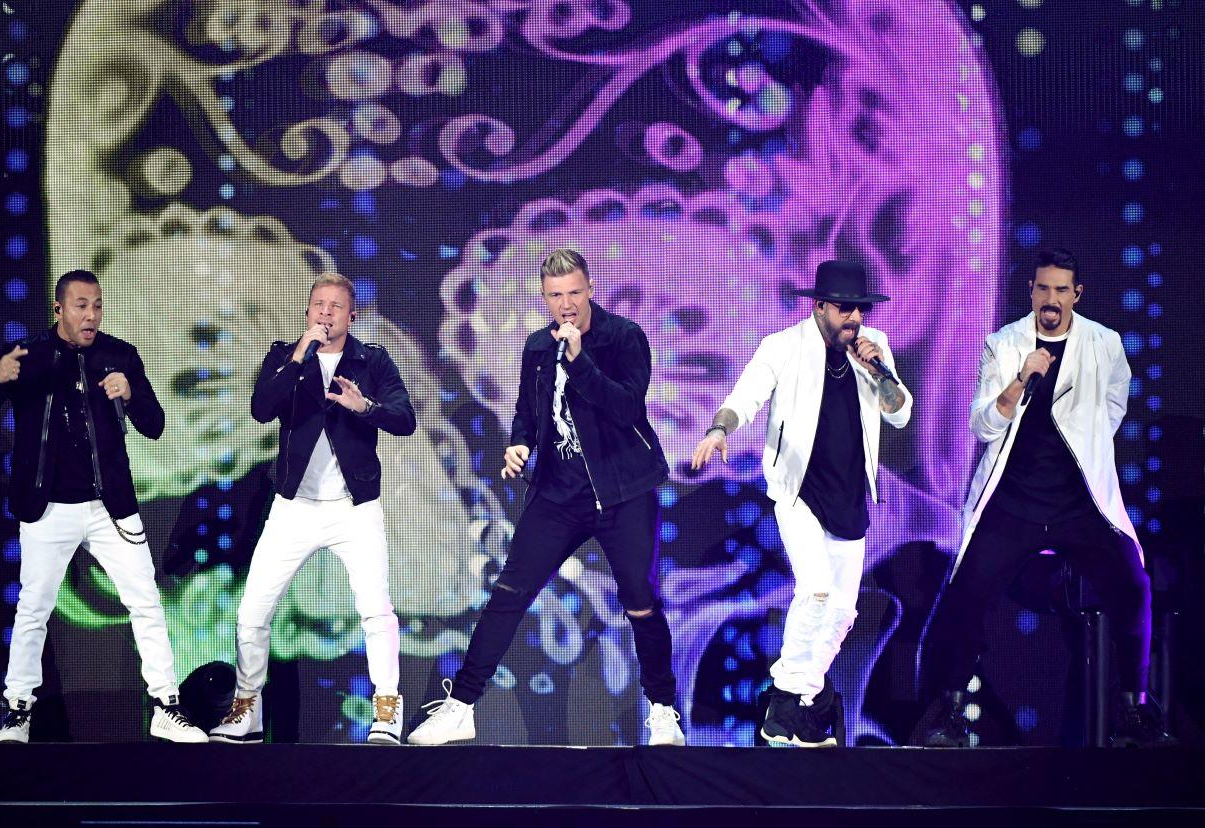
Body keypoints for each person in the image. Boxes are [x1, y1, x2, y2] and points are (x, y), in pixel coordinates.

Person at [407, 249, 684, 747]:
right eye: (556, 296)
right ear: (544, 298)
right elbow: (526, 412)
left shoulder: (623, 337)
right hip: (559, 495)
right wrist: (519, 443)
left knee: (641, 605)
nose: (566, 304)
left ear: (590, 289)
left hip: (624, 493)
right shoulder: (537, 346)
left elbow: (626, 407)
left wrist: (580, 363)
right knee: (507, 595)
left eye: (574, 292)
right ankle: (461, 707)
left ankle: (662, 711)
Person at [920, 248, 1175, 747]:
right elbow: (982, 426)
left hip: (1079, 503)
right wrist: (1020, 379)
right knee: (966, 593)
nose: (1051, 299)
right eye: (1043, 289)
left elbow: (1113, 408)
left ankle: (1134, 708)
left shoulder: (1105, 344)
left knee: (1133, 586)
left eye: (1061, 290)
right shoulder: (1003, 344)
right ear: (1031, 291)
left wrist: (1084, 448)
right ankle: (949, 711)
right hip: (1013, 502)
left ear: (1076, 294)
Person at [0, 269, 206, 743]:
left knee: (146, 601)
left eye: (97, 305)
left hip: (109, 506)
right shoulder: (26, 356)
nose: (91, 315)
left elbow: (155, 425)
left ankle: (165, 706)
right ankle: (18, 711)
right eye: (81, 306)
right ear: (59, 309)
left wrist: (130, 394)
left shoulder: (120, 355)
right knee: (34, 607)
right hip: (47, 506)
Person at [691, 259, 912, 747]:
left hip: (850, 498)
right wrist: (719, 429)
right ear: (820, 307)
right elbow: (745, 396)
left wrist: (879, 372)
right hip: (799, 494)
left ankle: (799, 704)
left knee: (844, 613)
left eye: (860, 309)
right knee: (815, 591)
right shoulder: (784, 347)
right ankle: (785, 702)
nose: (854, 318)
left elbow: (899, 414)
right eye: (845, 309)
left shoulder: (873, 348)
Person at [209, 272, 416, 744]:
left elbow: (405, 418)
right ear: (307, 312)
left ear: (352, 316)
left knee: (376, 610)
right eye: (319, 304)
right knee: (253, 610)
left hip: (354, 508)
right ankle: (247, 707)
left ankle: (387, 707)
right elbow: (261, 408)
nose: (326, 313)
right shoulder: (287, 356)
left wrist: (365, 408)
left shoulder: (372, 361)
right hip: (294, 507)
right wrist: (299, 355)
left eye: (336, 306)